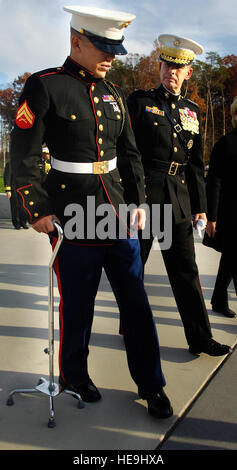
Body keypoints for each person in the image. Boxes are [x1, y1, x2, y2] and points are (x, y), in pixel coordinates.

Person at [10, 6, 173, 419]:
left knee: (136, 304)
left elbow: (130, 157)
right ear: (76, 42)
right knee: (77, 307)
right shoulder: (45, 86)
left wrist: (138, 206)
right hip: (70, 217)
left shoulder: (115, 94)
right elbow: (25, 154)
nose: (111, 57)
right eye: (103, 47)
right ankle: (75, 376)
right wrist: (37, 210)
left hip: (117, 216)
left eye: (115, 49)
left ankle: (151, 384)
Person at [127, 34, 231, 356]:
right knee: (134, 269)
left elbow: (197, 165)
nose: (171, 71)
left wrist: (201, 207)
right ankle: (130, 329)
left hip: (178, 199)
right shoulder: (140, 103)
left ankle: (200, 337)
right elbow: (127, 152)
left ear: (188, 73)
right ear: (159, 66)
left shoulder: (193, 111)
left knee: (186, 271)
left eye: (178, 67)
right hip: (144, 196)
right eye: (166, 64)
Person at [205, 96, 237, 318]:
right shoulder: (226, 144)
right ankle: (218, 299)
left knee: (230, 258)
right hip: (231, 215)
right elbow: (213, 182)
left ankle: (218, 299)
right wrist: (211, 217)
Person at [3, 159, 29, 229]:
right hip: (14, 188)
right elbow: (7, 176)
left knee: (24, 206)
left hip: (24, 188)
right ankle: (16, 223)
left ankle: (23, 222)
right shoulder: (10, 163)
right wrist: (8, 190)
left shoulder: (25, 163)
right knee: (15, 206)